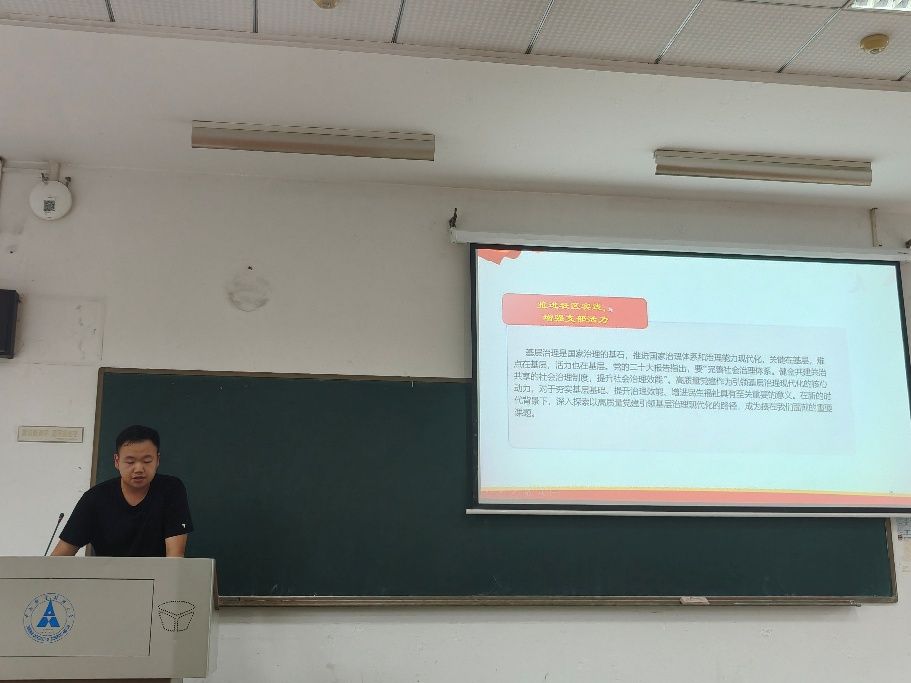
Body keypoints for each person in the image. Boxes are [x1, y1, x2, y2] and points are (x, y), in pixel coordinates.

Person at [50, 425, 193, 557]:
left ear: (158, 460)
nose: (139, 469)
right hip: (108, 575)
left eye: (147, 461)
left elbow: (175, 557)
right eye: (130, 462)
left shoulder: (171, 489)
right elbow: (61, 555)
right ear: (117, 461)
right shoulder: (95, 498)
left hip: (158, 575)